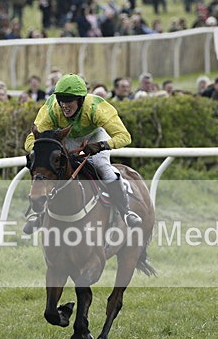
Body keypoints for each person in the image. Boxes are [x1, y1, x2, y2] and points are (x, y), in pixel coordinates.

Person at [23, 73, 142, 233]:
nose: (64, 105)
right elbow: (30, 140)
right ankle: (40, 214)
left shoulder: (96, 108)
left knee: (101, 165)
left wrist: (101, 145)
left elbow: (124, 137)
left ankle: (125, 211)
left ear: (80, 100)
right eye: (61, 100)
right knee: (53, 169)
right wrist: (42, 150)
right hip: (67, 137)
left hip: (95, 136)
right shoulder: (51, 108)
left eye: (69, 100)